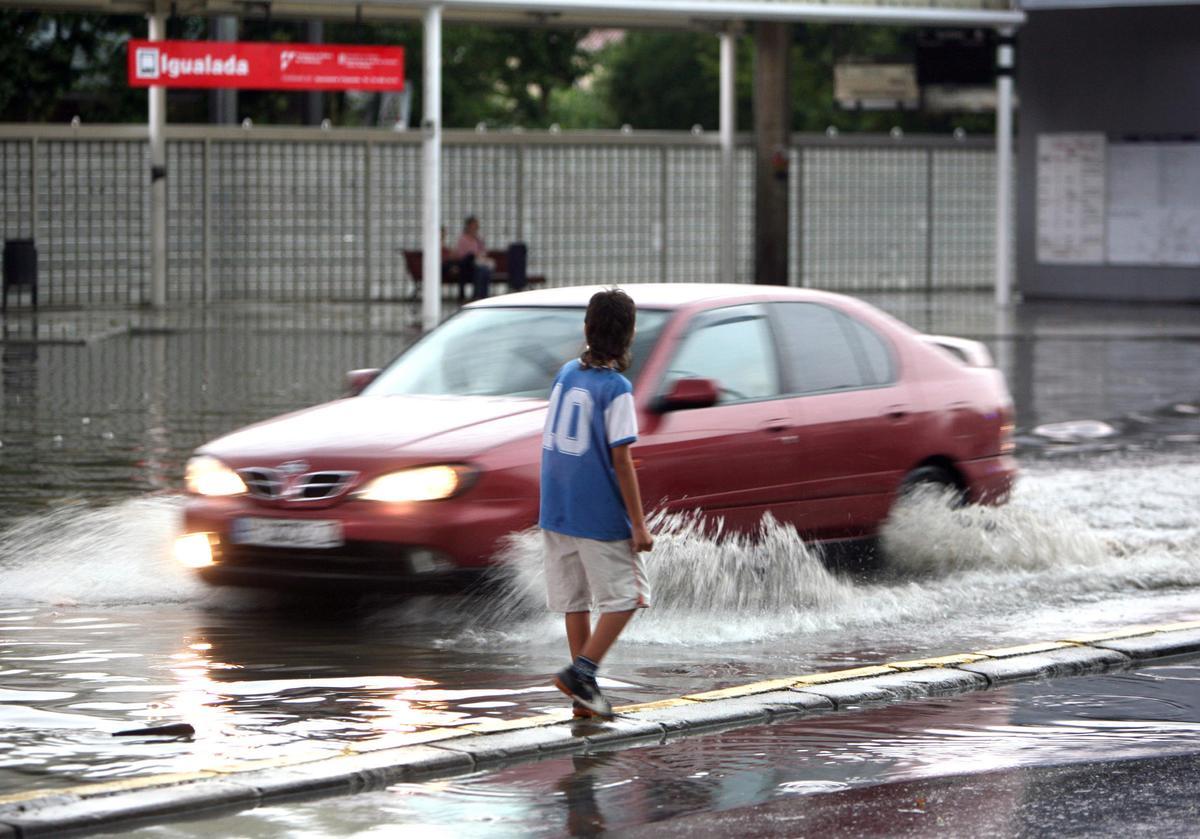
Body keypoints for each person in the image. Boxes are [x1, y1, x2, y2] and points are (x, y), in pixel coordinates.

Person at [540, 288, 655, 719]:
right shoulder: (616, 389)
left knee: (575, 599)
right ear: (629, 337)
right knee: (628, 598)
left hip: (556, 506)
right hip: (597, 512)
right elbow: (621, 460)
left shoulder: (567, 373)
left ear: (587, 329)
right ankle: (582, 673)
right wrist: (639, 526)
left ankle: (582, 696)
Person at [454, 215, 494, 300]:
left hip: (478, 263)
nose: (475, 227)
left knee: (484, 270)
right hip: (467, 266)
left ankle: (483, 295)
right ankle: (477, 295)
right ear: (468, 226)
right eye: (473, 224)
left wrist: (481, 256)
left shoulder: (478, 239)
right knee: (479, 270)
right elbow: (460, 254)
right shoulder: (463, 239)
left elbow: (483, 251)